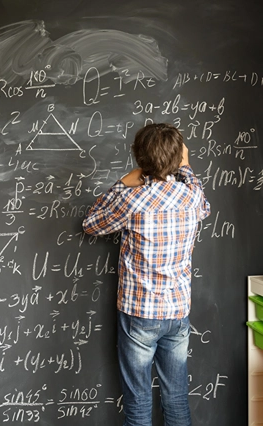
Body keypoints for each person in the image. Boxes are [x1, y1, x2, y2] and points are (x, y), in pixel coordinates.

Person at [82, 123, 211, 426]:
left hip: (139, 312)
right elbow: (202, 203)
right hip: (178, 310)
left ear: (140, 159)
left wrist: (122, 183)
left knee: (138, 398)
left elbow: (91, 223)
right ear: (180, 156)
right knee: (176, 396)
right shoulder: (191, 196)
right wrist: (186, 166)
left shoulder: (132, 199)